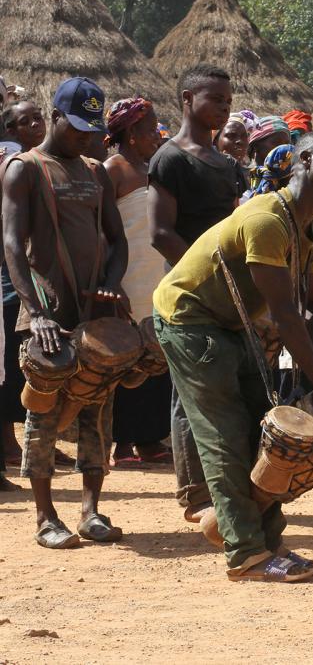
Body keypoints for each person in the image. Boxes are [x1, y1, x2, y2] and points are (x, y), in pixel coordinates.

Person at [154, 132, 313, 581]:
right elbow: (287, 315)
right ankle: (247, 554)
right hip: (188, 320)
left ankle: (268, 545)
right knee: (224, 435)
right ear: (304, 160)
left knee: (258, 431)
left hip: (231, 325)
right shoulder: (268, 218)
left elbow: (311, 307)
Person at [3, 77, 129, 548]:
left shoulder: (96, 171)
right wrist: (35, 311)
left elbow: (117, 241)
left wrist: (111, 285)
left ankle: (91, 510)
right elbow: (13, 244)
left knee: (99, 406)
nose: (85, 137)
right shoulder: (25, 168)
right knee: (42, 409)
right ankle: (44, 515)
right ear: (55, 117)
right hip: (46, 309)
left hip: (91, 311)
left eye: (91, 129)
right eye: (76, 127)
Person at [148, 64, 241, 523]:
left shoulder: (228, 165)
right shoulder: (170, 159)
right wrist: (203, 272)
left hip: (228, 293)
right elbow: (160, 232)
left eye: (227, 100)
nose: (224, 107)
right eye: (215, 99)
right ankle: (195, 493)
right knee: (188, 394)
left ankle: (228, 486)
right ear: (188, 99)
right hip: (186, 291)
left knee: (224, 387)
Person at [102, 97, 171, 467]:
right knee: (128, 360)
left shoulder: (154, 168)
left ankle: (149, 440)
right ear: (131, 133)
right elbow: (106, 231)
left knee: (155, 357)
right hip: (128, 275)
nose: (156, 135)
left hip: (158, 274)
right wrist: (112, 281)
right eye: (150, 129)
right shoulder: (113, 169)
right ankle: (123, 444)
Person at [0, 100, 46, 486]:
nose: (35, 125)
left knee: (18, 367)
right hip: (7, 275)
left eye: (38, 118)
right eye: (24, 122)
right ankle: (8, 444)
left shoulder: (47, 166)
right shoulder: (11, 165)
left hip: (33, 273)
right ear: (11, 131)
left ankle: (17, 443)